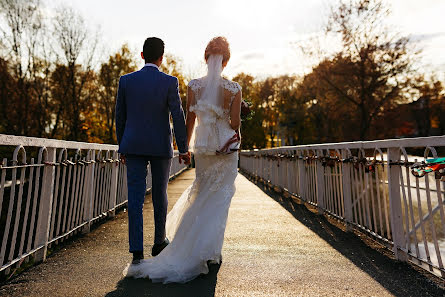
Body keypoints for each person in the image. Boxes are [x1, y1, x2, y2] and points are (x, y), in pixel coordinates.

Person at [123, 36, 242, 284]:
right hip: (197, 150)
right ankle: (185, 248)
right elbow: (229, 123)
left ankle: (138, 252)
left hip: (157, 147)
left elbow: (185, 119)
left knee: (140, 199)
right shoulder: (229, 89)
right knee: (175, 196)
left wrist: (184, 147)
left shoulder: (131, 81)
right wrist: (182, 148)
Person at [115, 37, 191, 265]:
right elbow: (178, 116)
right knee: (160, 195)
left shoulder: (126, 81)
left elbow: (120, 116)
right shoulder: (169, 82)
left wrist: (122, 146)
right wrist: (184, 148)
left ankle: (137, 252)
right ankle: (159, 242)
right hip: (160, 147)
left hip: (134, 146)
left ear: (141, 55)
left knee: (135, 198)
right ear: (161, 58)